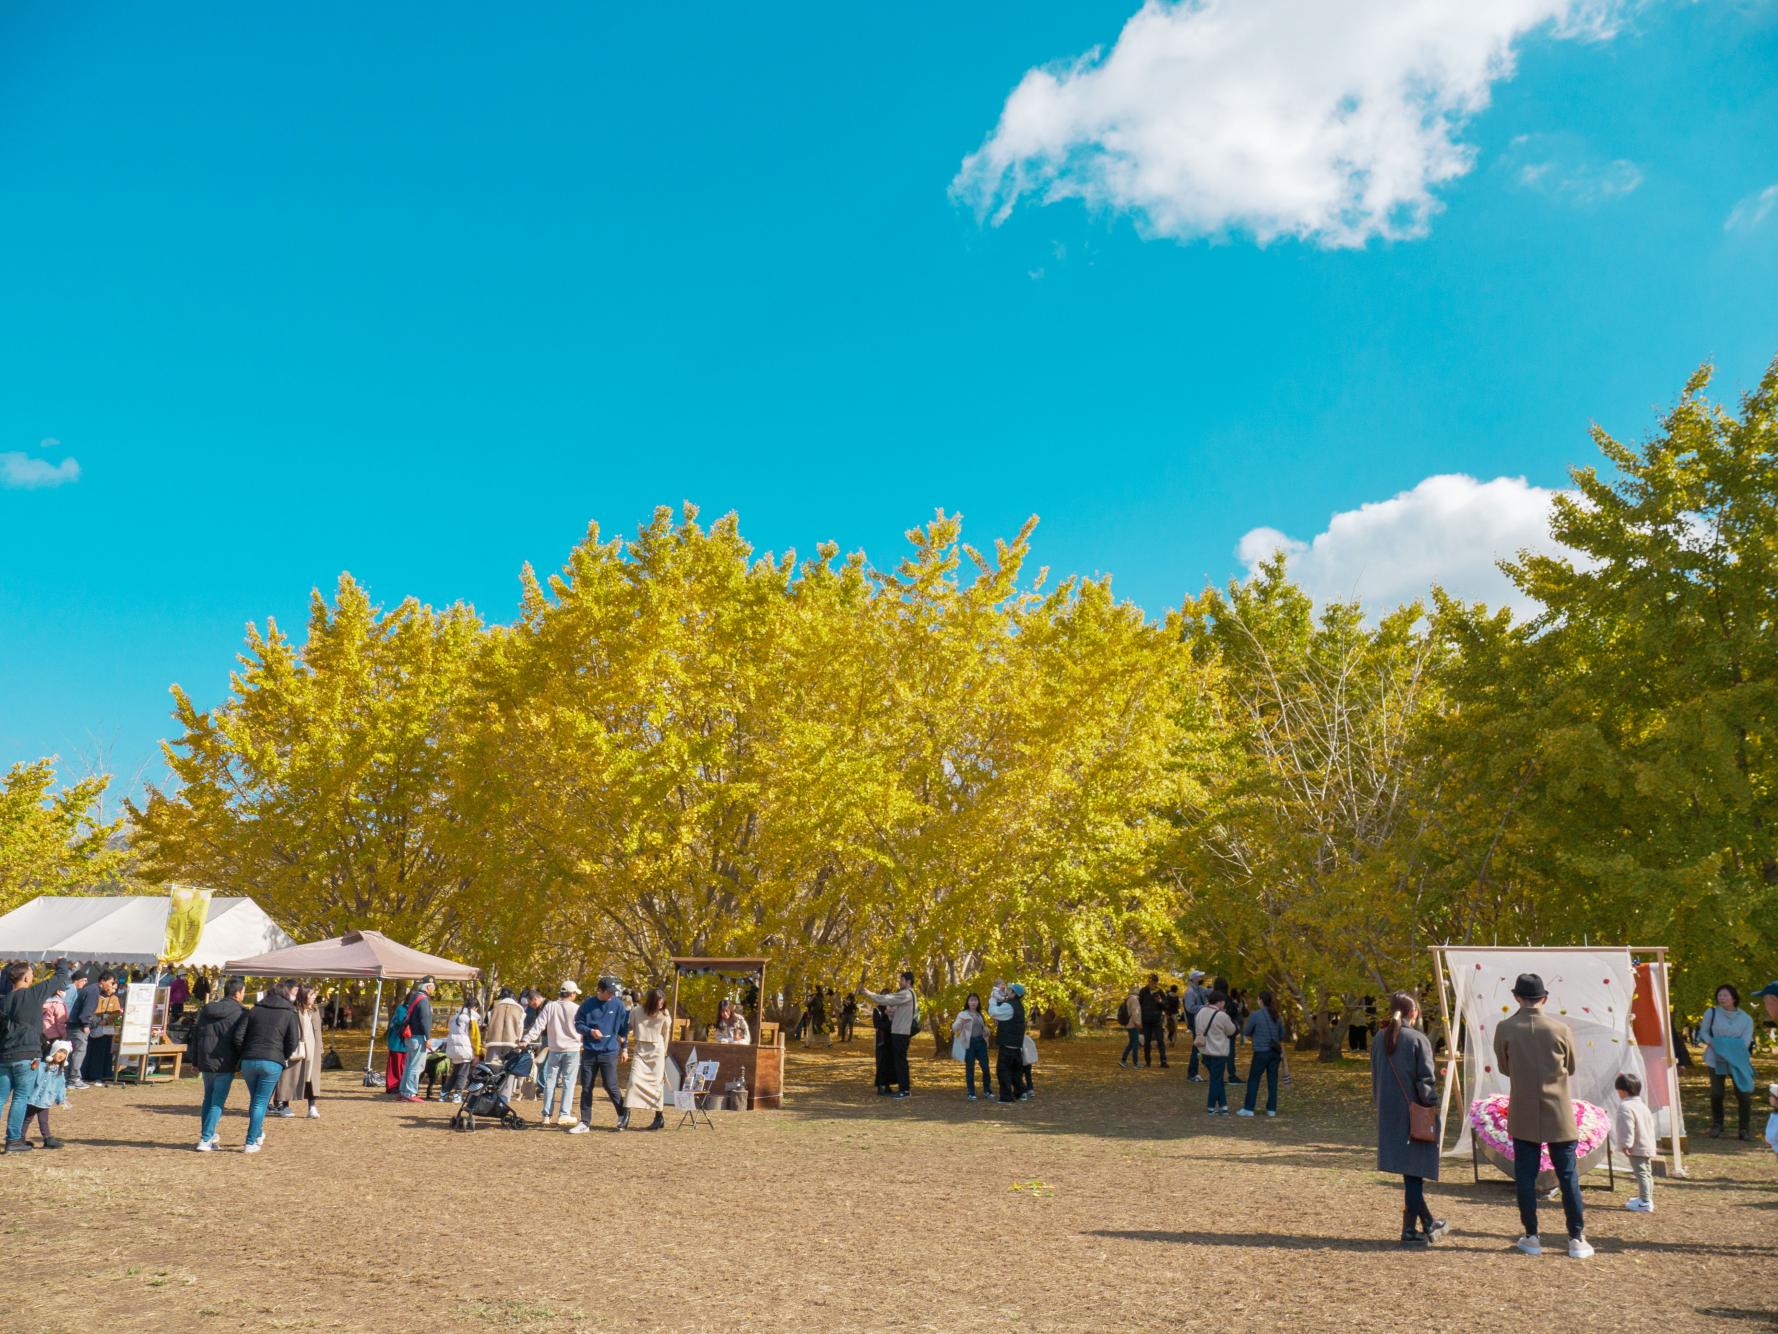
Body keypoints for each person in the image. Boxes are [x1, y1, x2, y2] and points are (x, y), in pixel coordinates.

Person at [1494, 972, 1592, 1259]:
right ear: (1544, 998)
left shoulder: (1505, 1027)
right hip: (1559, 1110)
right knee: (1567, 1174)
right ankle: (1576, 1237)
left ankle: (1531, 1236)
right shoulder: (1561, 1029)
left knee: (1525, 1175)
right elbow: (1571, 1066)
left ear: (1516, 997)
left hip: (1524, 1108)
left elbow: (1504, 1067)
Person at [1371, 991, 1447, 1248]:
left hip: (1388, 1111)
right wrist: (1432, 1106)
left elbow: (1375, 1076)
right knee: (1414, 1172)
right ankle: (1409, 1230)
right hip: (1414, 1112)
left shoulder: (1378, 1038)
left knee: (1410, 1172)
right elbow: (1425, 1081)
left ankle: (1426, 1223)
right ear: (1413, 1013)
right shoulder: (1417, 1039)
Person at [0, 958, 71, 1153]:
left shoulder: (4, 1000)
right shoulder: (33, 994)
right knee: (20, 1098)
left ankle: (15, 1140)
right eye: (31, 973)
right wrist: (61, 962)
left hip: (5, 1055)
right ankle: (13, 1140)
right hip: (27, 1054)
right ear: (25, 977)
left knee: (0, 1098)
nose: (32, 975)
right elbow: (61, 977)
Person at [236, 978, 301, 1153]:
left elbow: (239, 1036)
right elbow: (293, 1041)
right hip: (272, 1060)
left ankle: (257, 1134)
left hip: (249, 1060)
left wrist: (245, 1053)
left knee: (256, 1100)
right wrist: (282, 1056)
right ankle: (250, 1141)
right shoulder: (289, 1013)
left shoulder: (255, 1010)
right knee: (260, 1101)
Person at [187, 976, 249, 1151]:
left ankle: (209, 1134)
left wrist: (196, 1061)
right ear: (237, 993)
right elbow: (239, 1040)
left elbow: (197, 1035)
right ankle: (206, 1138)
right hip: (225, 1062)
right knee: (217, 1101)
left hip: (206, 1061)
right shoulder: (241, 1013)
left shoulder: (207, 1010)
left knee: (208, 1098)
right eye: (243, 992)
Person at [572, 977, 630, 1132]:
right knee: (586, 1087)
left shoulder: (618, 1005)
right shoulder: (588, 1004)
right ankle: (585, 1122)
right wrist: (590, 1031)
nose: (611, 995)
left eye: (613, 992)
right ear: (600, 990)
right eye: (609, 992)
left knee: (610, 1085)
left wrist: (625, 1048)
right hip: (590, 1051)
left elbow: (623, 1029)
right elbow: (578, 1024)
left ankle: (622, 1114)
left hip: (609, 1051)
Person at [1700, 983, 1755, 1140]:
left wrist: (1727, 1048)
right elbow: (1703, 1031)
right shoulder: (1711, 1013)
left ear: (1734, 998)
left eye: (1725, 995)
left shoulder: (1746, 1019)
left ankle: (1744, 1129)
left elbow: (1745, 1041)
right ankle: (1717, 1125)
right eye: (1719, 995)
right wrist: (1713, 1043)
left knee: (1743, 1094)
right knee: (1717, 1093)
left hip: (1737, 1059)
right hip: (1714, 1057)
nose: (1721, 998)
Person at [526, 980, 584, 1126]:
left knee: (550, 1082)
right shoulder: (577, 1008)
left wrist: (526, 1039)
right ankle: (564, 1114)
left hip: (554, 1050)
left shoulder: (551, 1006)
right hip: (572, 1049)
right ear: (572, 994)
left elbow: (538, 1026)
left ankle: (546, 1115)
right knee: (568, 1083)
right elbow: (583, 1029)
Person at [861, 972, 917, 1098]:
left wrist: (870, 994)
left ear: (908, 982)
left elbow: (887, 998)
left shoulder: (907, 993)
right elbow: (899, 1011)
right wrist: (892, 1013)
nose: (900, 982)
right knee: (899, 1061)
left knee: (901, 1061)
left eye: (902, 980)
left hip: (901, 1033)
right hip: (900, 1031)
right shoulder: (908, 995)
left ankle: (904, 1090)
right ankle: (904, 1089)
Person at [273, 986, 324, 1119]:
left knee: (311, 1078)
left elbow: (318, 1031)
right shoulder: (293, 1011)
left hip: (313, 1049)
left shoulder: (315, 1011)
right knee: (289, 1076)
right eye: (311, 994)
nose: (313, 997)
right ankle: (284, 1105)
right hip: (295, 1048)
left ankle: (312, 1106)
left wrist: (320, 1048)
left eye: (314, 995)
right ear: (304, 995)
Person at [625, 987, 671, 1131]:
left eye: (663, 1002)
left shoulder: (664, 1014)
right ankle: (625, 1115)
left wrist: (664, 1054)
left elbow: (666, 1035)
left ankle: (659, 1117)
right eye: (659, 1001)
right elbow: (628, 1027)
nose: (661, 1004)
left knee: (657, 1085)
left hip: (657, 1052)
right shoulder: (637, 1011)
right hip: (641, 1049)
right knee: (633, 1081)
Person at [1612, 1072, 1657, 1213]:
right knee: (1646, 1172)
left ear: (1623, 1091)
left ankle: (1645, 1202)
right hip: (1647, 1144)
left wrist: (1626, 1145)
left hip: (1637, 1146)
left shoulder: (1626, 1107)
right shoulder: (1642, 1105)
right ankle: (1645, 1197)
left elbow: (1627, 1127)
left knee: (1641, 1173)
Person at [1239, 990, 1286, 1117]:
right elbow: (1282, 1035)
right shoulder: (1277, 1015)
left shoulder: (1255, 1015)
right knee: (1272, 1080)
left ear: (1260, 1000)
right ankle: (1271, 1109)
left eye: (1258, 999)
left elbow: (1247, 1031)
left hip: (1261, 1052)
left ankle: (1249, 1108)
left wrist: (1256, 1035)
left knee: (1254, 1079)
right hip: (1275, 1053)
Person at [1193, 991, 1238, 1114]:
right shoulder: (1221, 1015)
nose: (1224, 1004)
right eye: (1223, 1002)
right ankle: (1211, 1106)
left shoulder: (1200, 1012)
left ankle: (1224, 1106)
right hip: (1218, 1052)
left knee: (1216, 1079)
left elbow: (1197, 1029)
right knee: (1216, 1080)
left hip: (1204, 1051)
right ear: (1219, 1002)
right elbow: (1231, 1031)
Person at [22, 1040, 71, 1149]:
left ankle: (47, 1139)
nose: (61, 1055)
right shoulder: (41, 1066)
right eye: (59, 1052)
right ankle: (20, 1138)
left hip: (45, 1100)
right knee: (26, 1119)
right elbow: (30, 1078)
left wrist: (61, 1099)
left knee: (43, 1121)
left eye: (64, 1053)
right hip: (33, 1098)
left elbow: (60, 1087)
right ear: (53, 1052)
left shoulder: (60, 1072)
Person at [395, 977, 436, 1102]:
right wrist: (428, 1037)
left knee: (408, 1065)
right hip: (418, 1037)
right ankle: (410, 1092)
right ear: (428, 987)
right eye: (433, 987)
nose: (434, 990)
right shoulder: (423, 1000)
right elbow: (424, 1020)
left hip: (412, 1036)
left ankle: (403, 1091)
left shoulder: (415, 997)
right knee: (416, 1066)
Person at [988, 980, 1026, 1104]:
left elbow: (993, 1012)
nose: (1007, 992)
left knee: (1003, 1070)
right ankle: (1020, 1093)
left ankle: (1006, 1097)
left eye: (1009, 990)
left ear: (1014, 994)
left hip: (1008, 1045)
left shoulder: (1009, 1006)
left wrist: (992, 999)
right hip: (1016, 1046)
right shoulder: (1019, 1006)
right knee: (1016, 1072)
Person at [82, 971, 122, 1086]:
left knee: (104, 1054)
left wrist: (107, 1020)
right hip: (94, 1028)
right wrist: (97, 1019)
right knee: (90, 1052)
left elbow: (117, 1013)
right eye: (112, 986)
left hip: (107, 1031)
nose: (113, 990)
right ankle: (87, 1074)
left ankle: (101, 1076)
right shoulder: (96, 995)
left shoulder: (114, 999)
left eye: (114, 988)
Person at [953, 992, 992, 1100]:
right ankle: (971, 1093)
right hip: (969, 1044)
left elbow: (984, 1029)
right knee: (970, 1068)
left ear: (978, 1002)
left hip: (981, 1043)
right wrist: (961, 1023)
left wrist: (987, 1031)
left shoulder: (980, 1014)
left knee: (985, 1067)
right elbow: (955, 1027)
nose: (973, 1002)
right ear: (968, 1002)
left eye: (975, 1000)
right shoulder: (963, 1014)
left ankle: (987, 1091)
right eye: (971, 1000)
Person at [441, 999, 481, 1103]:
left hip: (453, 1049)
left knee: (454, 1072)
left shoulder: (454, 1017)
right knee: (463, 1073)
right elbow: (475, 1037)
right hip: (465, 1049)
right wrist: (477, 1052)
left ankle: (444, 1093)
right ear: (474, 1008)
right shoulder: (471, 1018)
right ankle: (457, 1094)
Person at [65, 968, 96, 1091]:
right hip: (70, 1024)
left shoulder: (73, 989)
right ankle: (74, 1079)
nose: (85, 983)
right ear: (77, 980)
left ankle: (69, 1078)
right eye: (84, 980)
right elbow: (67, 1006)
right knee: (77, 1052)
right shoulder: (71, 989)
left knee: (71, 1052)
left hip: (68, 1024)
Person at [485, 988, 526, 1062]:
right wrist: (519, 1040)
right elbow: (521, 1027)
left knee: (492, 1068)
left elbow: (487, 1023)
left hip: (493, 1042)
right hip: (512, 1043)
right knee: (509, 1067)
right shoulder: (519, 1009)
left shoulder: (494, 1008)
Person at [384, 991, 414, 1094]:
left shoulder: (409, 1009)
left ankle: (401, 1085)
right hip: (398, 1042)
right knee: (396, 1065)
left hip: (405, 1043)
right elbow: (404, 1022)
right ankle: (393, 1086)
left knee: (403, 1065)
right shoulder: (402, 1009)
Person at [1138, 973, 1168, 1068]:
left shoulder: (1160, 991)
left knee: (1160, 1040)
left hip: (1157, 1020)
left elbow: (1166, 1006)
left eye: (1155, 982)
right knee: (1147, 1042)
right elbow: (1139, 1006)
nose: (1153, 984)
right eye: (1151, 982)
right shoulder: (1143, 991)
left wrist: (1160, 1002)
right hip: (1146, 1020)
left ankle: (1163, 1061)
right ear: (1148, 982)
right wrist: (1139, 1020)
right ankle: (1148, 1061)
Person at [1182, 971, 1208, 1082]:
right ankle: (1192, 1073)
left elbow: (1209, 993)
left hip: (1201, 1022)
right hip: (1196, 1023)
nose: (1202, 978)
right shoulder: (1190, 992)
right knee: (1197, 1048)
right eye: (1200, 977)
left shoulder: (1200, 989)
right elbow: (1189, 1007)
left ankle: (1193, 1072)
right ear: (1194, 978)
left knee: (1198, 1048)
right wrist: (1204, 1007)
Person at [1116, 986, 1142, 1068]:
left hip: (1128, 1024)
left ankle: (1123, 1060)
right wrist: (1138, 1023)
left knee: (1131, 1043)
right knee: (1135, 1043)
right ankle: (1136, 1063)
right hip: (1133, 1024)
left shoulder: (1128, 999)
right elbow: (1135, 1012)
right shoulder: (1134, 999)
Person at [871, 1002, 893, 1095]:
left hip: (890, 1040)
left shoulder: (891, 1009)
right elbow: (878, 1025)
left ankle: (887, 1086)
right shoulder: (877, 1010)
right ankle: (881, 1087)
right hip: (881, 1040)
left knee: (888, 1063)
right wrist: (890, 1022)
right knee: (880, 1063)